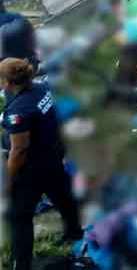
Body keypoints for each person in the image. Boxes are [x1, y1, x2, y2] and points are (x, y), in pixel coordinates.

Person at [1, 58, 82, 270]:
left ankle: (22, 264)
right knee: (63, 197)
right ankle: (74, 233)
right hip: (53, 156)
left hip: (31, 170)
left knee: (20, 217)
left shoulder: (17, 112)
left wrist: (7, 179)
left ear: (8, 83)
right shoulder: (43, 88)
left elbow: (19, 150)